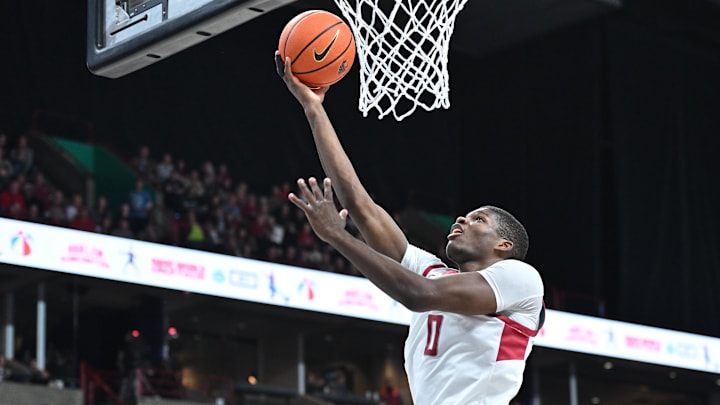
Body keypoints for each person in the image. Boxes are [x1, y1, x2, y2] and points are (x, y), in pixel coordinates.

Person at [276, 53, 545, 405]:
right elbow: (360, 205)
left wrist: (337, 237)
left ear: (504, 245)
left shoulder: (520, 279)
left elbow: (418, 296)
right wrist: (313, 109)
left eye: (478, 219)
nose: (461, 220)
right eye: (465, 215)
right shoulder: (432, 271)